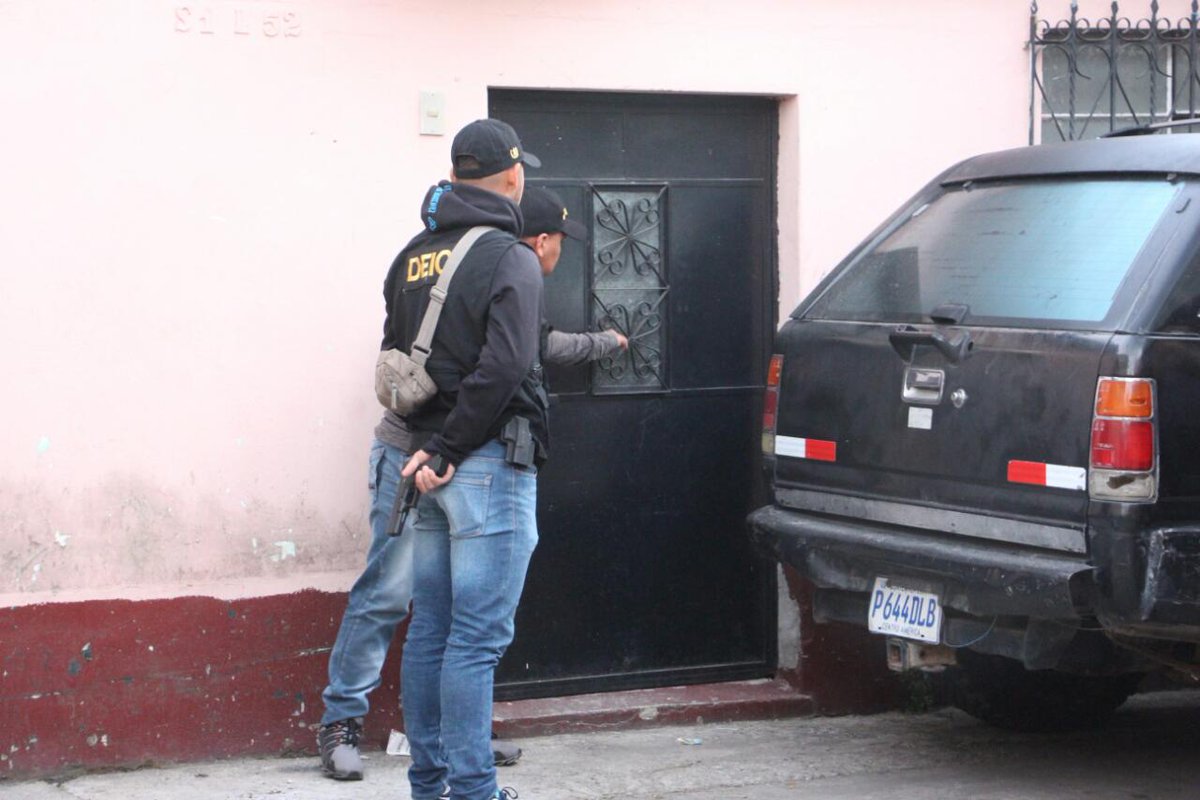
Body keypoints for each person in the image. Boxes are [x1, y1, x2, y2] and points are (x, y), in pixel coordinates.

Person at [316, 165, 628, 793]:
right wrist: (450, 445)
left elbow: (396, 351)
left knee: (433, 627)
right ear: (510, 179)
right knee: (464, 633)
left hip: (428, 460)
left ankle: (435, 779)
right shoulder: (505, 257)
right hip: (465, 461)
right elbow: (512, 361)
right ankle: (466, 782)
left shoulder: (413, 256)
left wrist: (437, 445)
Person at [518, 185, 629, 361]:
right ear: (542, 243)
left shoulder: (498, 270)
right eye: (561, 241)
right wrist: (606, 341)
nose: (560, 249)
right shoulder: (514, 283)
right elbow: (544, 344)